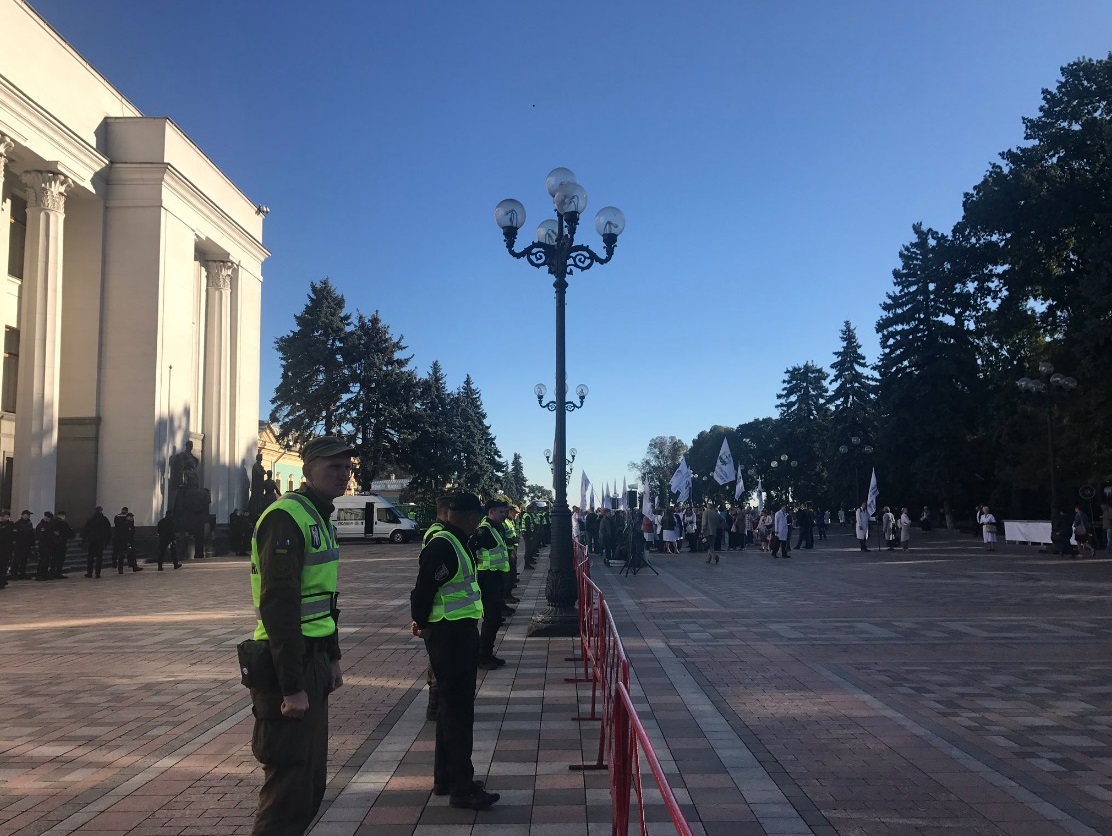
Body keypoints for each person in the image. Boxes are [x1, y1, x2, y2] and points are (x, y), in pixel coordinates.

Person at [248, 435, 352, 836]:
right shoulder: (286, 517)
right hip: (286, 663)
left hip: (314, 659)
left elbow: (324, 600)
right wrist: (292, 686)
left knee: (310, 782)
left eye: (346, 468)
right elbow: (280, 605)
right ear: (307, 471)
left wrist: (334, 656)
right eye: (333, 467)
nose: (342, 475)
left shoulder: (320, 517)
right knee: (289, 782)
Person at [410, 491, 500, 811]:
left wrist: (422, 621)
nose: (479, 520)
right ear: (464, 515)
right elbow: (423, 588)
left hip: (455, 631)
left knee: (452, 708)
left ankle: (446, 778)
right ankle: (462, 787)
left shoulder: (457, 541)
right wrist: (421, 622)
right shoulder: (444, 544)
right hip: (450, 634)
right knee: (459, 711)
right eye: (476, 514)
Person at [471, 498, 511, 671]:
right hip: (487, 579)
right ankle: (482, 656)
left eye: (505, 511)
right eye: (501, 512)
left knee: (494, 619)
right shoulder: (483, 530)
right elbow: (471, 549)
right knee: (491, 618)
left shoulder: (496, 528)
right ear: (491, 512)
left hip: (497, 578)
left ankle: (488, 653)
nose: (505, 515)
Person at [83, 506, 112, 578]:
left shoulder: (91, 519)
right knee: (99, 557)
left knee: (90, 557)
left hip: (92, 541)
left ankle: (89, 572)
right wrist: (107, 541)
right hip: (100, 541)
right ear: (101, 511)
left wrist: (84, 540)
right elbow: (108, 531)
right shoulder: (104, 519)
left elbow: (86, 530)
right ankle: (97, 573)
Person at [113, 507, 141, 573]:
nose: (132, 519)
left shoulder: (117, 517)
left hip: (119, 539)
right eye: (131, 517)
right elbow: (131, 531)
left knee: (121, 554)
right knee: (132, 553)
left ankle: (120, 569)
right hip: (128, 540)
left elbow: (116, 527)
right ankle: (134, 566)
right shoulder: (128, 521)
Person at [51, 511, 74, 578]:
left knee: (54, 558)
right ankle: (58, 572)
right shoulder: (63, 523)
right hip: (61, 543)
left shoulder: (52, 522)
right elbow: (68, 533)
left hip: (53, 543)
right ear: (63, 516)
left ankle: (52, 571)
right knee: (60, 559)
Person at [11, 510, 34, 580]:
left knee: (24, 560)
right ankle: (14, 574)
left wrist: (33, 544)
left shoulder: (29, 524)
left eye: (28, 515)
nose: (27, 516)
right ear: (22, 515)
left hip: (27, 545)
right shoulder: (17, 524)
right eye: (26, 515)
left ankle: (22, 573)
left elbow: (31, 534)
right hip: (19, 544)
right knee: (16, 560)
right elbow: (14, 535)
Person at [33, 512, 55, 580]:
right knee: (43, 560)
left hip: (49, 545)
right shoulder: (41, 526)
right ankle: (40, 574)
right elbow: (41, 536)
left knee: (47, 560)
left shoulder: (49, 525)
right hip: (43, 545)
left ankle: (44, 574)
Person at [0, 510, 12, 588]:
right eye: (4, 516)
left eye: (7, 516)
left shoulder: (11, 525)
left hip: (6, 548)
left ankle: (2, 580)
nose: (6, 517)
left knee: (4, 565)